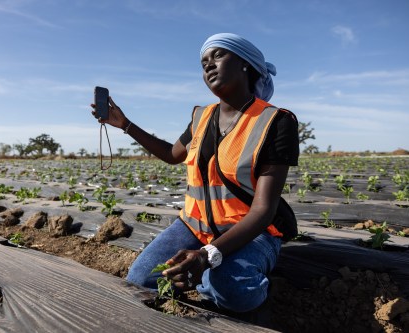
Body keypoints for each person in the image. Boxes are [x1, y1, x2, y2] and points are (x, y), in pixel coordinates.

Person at [91, 32, 299, 313]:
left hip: (250, 232)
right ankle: (207, 277)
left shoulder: (276, 122)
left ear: (245, 64)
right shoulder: (201, 116)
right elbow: (171, 154)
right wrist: (125, 124)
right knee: (142, 278)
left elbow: (262, 211)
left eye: (219, 55)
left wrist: (207, 255)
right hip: (195, 226)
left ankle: (252, 285)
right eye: (204, 62)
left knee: (229, 287)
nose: (209, 65)